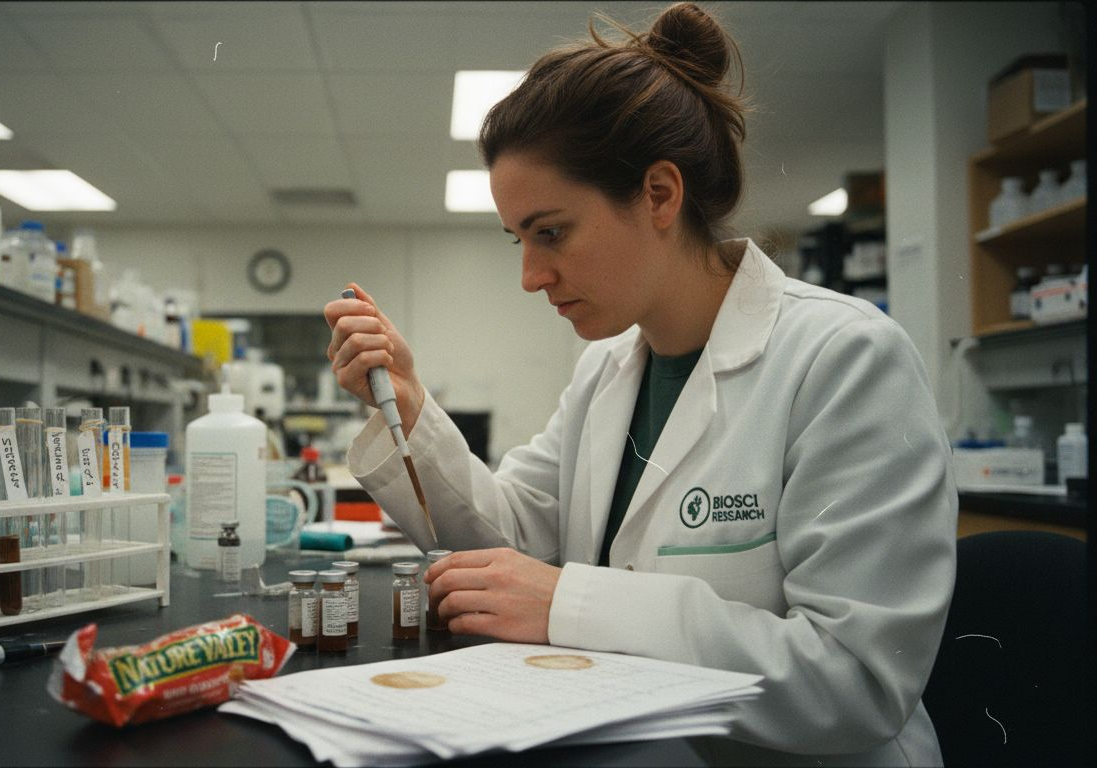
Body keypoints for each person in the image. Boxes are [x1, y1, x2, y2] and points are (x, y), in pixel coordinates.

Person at [323, 3, 956, 765]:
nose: (531, 275)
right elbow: (510, 543)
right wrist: (413, 410)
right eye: (518, 239)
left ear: (659, 194)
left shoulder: (844, 359)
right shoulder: (608, 369)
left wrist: (574, 605)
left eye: (551, 232)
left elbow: (855, 683)